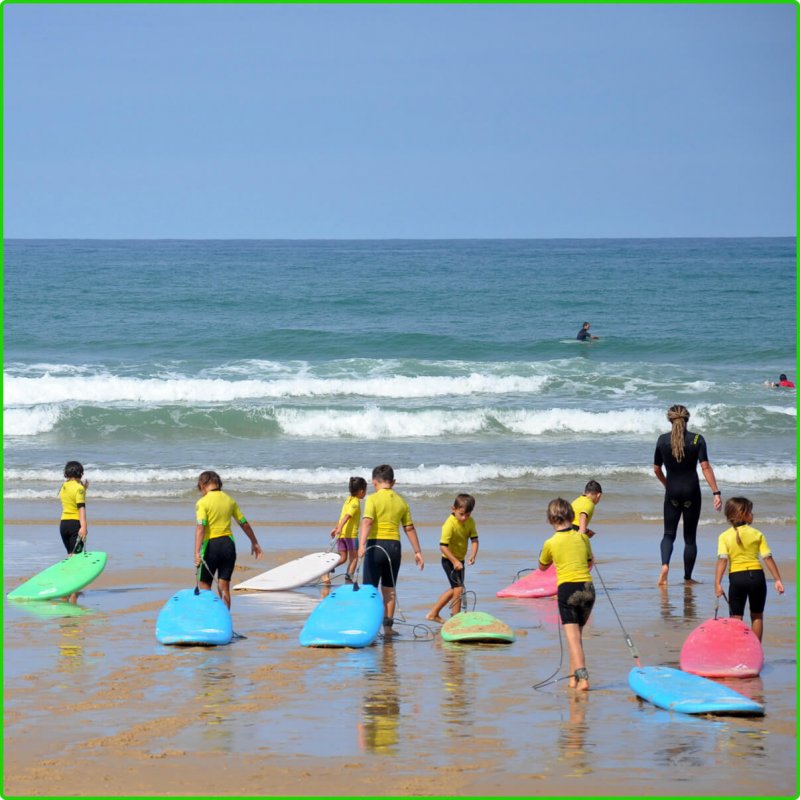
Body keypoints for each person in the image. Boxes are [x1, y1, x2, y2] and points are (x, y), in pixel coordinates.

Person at [653, 405, 722, 586]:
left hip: (672, 492)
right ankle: (687, 577)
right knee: (690, 538)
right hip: (692, 491)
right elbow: (705, 467)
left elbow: (656, 469)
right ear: (687, 419)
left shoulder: (662, 440)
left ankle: (665, 566)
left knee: (668, 534)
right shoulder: (697, 439)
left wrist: (667, 484)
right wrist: (716, 492)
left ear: (670, 419)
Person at [358, 464, 424, 632]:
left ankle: (369, 627)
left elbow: (367, 521)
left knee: (369, 590)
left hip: (376, 546)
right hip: (395, 547)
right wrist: (418, 552)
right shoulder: (402, 502)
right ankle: (388, 628)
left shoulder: (372, 499)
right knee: (389, 590)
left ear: (374, 483)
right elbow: (409, 528)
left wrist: (361, 544)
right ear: (393, 482)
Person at [538, 498, 595, 691]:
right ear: (571, 516)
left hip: (568, 590)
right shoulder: (583, 537)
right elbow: (589, 563)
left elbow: (542, 566)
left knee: (573, 639)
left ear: (550, 520)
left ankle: (584, 679)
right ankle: (573, 680)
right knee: (576, 638)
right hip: (588, 589)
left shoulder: (550, 542)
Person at [714, 497, 784, 641]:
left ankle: (737, 650)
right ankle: (756, 649)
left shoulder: (724, 536)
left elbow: (723, 560)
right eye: (750, 511)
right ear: (742, 513)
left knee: (736, 617)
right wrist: (777, 579)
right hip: (757, 577)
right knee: (757, 615)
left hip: (737, 578)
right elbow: (768, 558)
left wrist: (717, 583)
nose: (752, 515)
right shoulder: (757, 534)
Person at [194, 470, 262, 609]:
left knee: (205, 585)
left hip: (211, 546)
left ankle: (210, 619)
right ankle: (225, 619)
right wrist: (254, 542)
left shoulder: (203, 502)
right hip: (228, 546)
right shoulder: (229, 500)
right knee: (224, 587)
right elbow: (244, 523)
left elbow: (201, 527)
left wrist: (196, 552)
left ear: (202, 485)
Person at [425, 494, 479, 624]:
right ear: (453, 509)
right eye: (461, 514)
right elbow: (443, 547)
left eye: (467, 515)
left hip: (460, 561)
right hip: (448, 560)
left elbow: (475, 540)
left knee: (455, 589)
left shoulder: (470, 522)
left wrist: (473, 555)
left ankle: (433, 614)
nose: (464, 518)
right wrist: (454, 561)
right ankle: (456, 619)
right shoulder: (449, 524)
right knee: (458, 589)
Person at [328, 476, 367, 583]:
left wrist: (337, 528)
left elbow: (342, 515)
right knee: (354, 558)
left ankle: (326, 570)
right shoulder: (355, 502)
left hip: (341, 535)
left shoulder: (348, 500)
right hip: (350, 536)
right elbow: (347, 516)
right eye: (365, 491)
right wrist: (339, 527)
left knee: (343, 557)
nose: (365, 493)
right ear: (361, 491)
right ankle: (349, 577)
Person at [59, 460, 89, 556]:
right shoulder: (79, 488)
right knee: (76, 556)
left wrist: (83, 489)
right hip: (75, 525)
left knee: (70, 554)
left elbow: (70, 498)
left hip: (63, 525)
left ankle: (67, 571)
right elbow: (81, 508)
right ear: (80, 473)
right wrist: (83, 527)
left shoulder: (63, 486)